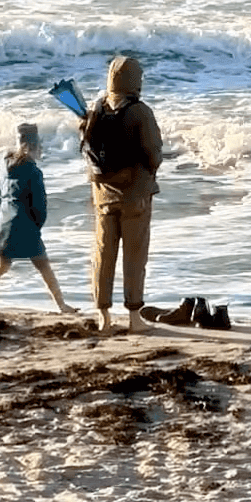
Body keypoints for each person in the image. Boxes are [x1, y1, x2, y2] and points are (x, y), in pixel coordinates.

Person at [81, 56, 163, 334]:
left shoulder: (96, 109)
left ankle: (104, 316)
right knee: (134, 256)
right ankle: (134, 318)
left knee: (103, 255)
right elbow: (153, 154)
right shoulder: (141, 112)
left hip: (103, 195)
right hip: (135, 194)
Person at [0, 122, 76, 314]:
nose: (41, 149)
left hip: (6, 223)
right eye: (39, 146)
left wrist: (6, 213)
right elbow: (39, 205)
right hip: (26, 225)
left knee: (1, 267)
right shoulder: (34, 171)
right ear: (33, 146)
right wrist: (37, 225)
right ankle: (62, 305)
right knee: (44, 266)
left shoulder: (5, 164)